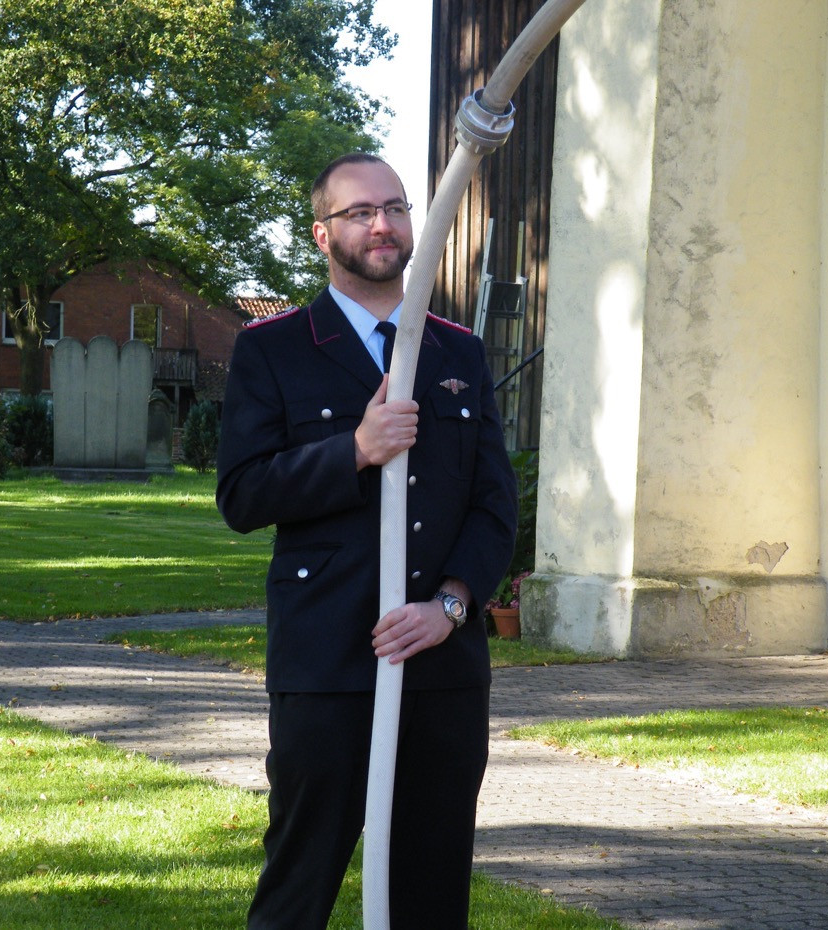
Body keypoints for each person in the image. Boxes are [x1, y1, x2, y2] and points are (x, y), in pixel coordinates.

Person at [216, 152, 517, 930]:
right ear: (322, 235)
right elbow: (243, 494)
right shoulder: (273, 348)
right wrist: (353, 448)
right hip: (326, 662)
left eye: (395, 207)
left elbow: (494, 508)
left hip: (441, 667)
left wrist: (449, 606)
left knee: (431, 885)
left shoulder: (459, 352)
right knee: (299, 880)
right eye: (359, 213)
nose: (382, 224)